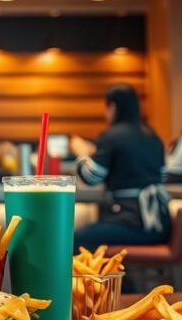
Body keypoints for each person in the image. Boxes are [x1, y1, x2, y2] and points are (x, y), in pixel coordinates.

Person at [71, 84, 171, 248]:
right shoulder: (152, 136)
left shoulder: (111, 135)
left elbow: (91, 177)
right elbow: (163, 176)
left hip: (132, 224)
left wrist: (81, 153)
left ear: (113, 106)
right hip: (160, 225)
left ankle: (89, 274)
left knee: (74, 241)